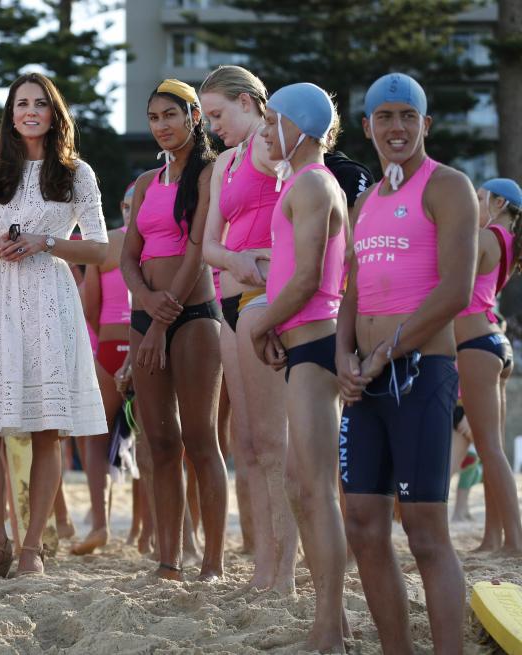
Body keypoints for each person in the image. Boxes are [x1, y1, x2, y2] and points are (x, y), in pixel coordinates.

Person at [337, 72, 477, 654]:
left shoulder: (448, 187)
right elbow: (352, 289)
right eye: (384, 117)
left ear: (426, 124)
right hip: (366, 379)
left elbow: (456, 291)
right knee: (364, 527)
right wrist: (345, 354)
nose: (396, 127)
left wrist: (385, 351)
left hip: (420, 375)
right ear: (367, 126)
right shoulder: (365, 200)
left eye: (407, 116)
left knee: (425, 536)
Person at [0, 72, 109, 577]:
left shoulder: (76, 173)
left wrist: (48, 242)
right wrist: (0, 246)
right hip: (2, 301)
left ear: (53, 113)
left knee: (48, 429)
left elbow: (100, 249)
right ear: (10, 113)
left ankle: (31, 549)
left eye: (40, 104)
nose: (30, 111)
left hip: (51, 296)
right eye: (21, 103)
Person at [249, 83, 348, 651]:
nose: (265, 131)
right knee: (300, 485)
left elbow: (309, 278)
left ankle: (328, 630)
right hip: (303, 347)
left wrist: (262, 325)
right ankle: (328, 620)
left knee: (314, 491)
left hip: (315, 349)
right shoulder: (305, 182)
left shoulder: (312, 183)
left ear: (302, 127)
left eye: (273, 121)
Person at [119, 79, 225, 580]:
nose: (162, 126)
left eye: (171, 116)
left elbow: (198, 250)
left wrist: (163, 319)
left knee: (201, 438)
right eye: (155, 117)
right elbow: (127, 256)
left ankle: (213, 561)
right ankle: (168, 559)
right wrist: (145, 303)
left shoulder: (208, 175)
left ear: (194, 118)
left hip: (195, 315)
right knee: (159, 441)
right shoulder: (144, 183)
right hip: (148, 316)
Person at [199, 65, 296, 593]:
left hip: (267, 302)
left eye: (217, 114)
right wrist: (238, 259)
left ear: (249, 102)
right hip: (230, 303)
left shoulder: (268, 146)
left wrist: (265, 260)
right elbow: (210, 246)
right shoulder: (224, 164)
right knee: (246, 440)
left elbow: (305, 219)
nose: (211, 125)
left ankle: (283, 570)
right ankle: (264, 563)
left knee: (273, 441)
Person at [454, 177, 522, 554]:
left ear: (498, 202)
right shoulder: (509, 242)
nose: (475, 205)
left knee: (489, 447)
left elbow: (450, 284)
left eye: (479, 198)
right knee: (491, 447)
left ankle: (514, 540)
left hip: (477, 344)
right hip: (496, 343)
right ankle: (493, 537)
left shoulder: (484, 239)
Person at [75, 180, 135, 556]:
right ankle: (156, 532)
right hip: (149, 345)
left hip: (111, 346)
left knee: (96, 440)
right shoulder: (166, 241)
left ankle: (100, 522)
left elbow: (90, 309)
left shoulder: (108, 243)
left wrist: (105, 347)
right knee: (157, 443)